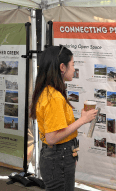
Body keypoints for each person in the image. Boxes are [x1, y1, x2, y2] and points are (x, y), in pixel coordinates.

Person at [30, 45, 97, 191]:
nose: (74, 69)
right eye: (72, 65)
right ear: (62, 67)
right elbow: (52, 137)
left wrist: (69, 156)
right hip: (58, 157)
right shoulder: (54, 97)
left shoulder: (50, 91)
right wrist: (82, 120)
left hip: (59, 156)